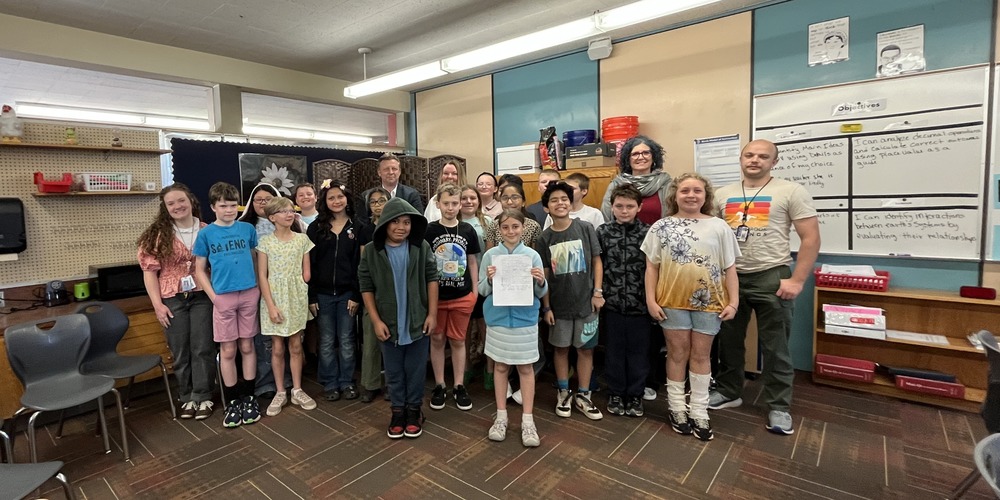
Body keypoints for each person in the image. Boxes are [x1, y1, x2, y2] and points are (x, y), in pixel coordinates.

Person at [711, 139, 820, 436]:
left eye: (762, 156)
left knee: (776, 347)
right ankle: (729, 391)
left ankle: (779, 406)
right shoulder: (723, 194)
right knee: (729, 341)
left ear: (774, 161)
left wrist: (797, 280)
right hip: (732, 276)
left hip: (772, 276)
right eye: (749, 155)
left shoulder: (791, 191)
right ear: (741, 158)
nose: (754, 160)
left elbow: (810, 238)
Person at [642, 173, 740, 441]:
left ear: (705, 196)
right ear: (675, 195)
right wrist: (651, 300)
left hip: (710, 302)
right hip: (671, 300)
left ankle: (699, 410)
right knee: (676, 354)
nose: (691, 195)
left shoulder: (719, 227)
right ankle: (676, 408)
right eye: (685, 190)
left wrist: (734, 301)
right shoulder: (661, 227)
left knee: (701, 356)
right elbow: (652, 267)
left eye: (697, 191)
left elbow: (730, 267)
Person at [358, 198, 439, 439]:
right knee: (393, 371)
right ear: (384, 223)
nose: (401, 227)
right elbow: (366, 285)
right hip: (388, 323)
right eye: (395, 222)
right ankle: (397, 411)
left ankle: (414, 410)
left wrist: (432, 313)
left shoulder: (420, 247)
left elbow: (431, 278)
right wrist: (375, 320)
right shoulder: (372, 250)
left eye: (406, 222)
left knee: (415, 369)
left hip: (417, 321)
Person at [137, 183, 215, 420]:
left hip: (202, 295)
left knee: (203, 347)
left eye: (180, 200)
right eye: (171, 203)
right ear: (165, 207)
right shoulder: (157, 235)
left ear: (190, 200)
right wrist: (157, 305)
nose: (177, 206)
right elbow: (149, 271)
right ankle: (187, 396)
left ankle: (204, 396)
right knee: (180, 350)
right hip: (171, 298)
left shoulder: (207, 230)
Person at [192, 182, 261, 428]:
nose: (229, 210)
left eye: (233, 205)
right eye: (223, 206)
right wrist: (214, 297)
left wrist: (258, 289)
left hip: (249, 294)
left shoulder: (247, 229)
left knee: (247, 346)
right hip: (223, 297)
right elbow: (199, 270)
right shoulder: (206, 234)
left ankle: (249, 398)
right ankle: (232, 401)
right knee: (228, 350)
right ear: (213, 207)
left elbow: (254, 259)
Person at [536, 181, 604, 421]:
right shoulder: (544, 239)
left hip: (586, 304)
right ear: (547, 208)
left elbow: (597, 261)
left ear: (571, 202)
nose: (560, 203)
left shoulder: (585, 228)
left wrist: (597, 292)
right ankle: (563, 392)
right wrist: (546, 307)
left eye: (564, 199)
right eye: (553, 200)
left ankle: (584, 394)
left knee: (586, 350)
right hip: (559, 307)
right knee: (561, 349)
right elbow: (544, 275)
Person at [480, 209, 547, 447]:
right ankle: (501, 417)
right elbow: (481, 290)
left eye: (515, 227)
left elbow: (541, 292)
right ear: (499, 230)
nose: (511, 232)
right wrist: (489, 279)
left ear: (523, 228)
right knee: (500, 367)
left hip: (525, 321)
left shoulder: (532, 256)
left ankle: (528, 421)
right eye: (505, 227)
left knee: (526, 369)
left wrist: (540, 280)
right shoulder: (490, 255)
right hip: (498, 321)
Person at [257, 197, 318, 416]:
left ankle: (298, 389)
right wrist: (271, 305)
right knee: (277, 347)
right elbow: (262, 276)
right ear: (272, 217)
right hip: (275, 297)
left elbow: (307, 272)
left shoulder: (302, 239)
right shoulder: (265, 242)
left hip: (296, 297)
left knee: (295, 344)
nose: (288, 214)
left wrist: (300, 287)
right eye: (283, 211)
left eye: (291, 210)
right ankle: (280, 391)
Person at [596, 183, 651, 418]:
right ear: (612, 207)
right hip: (612, 303)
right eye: (619, 206)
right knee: (614, 351)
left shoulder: (649, 232)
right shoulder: (602, 232)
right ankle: (616, 393)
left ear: (639, 207)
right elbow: (597, 265)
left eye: (630, 206)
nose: (624, 210)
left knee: (639, 352)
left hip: (641, 304)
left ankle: (636, 394)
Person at [425, 184, 480, 411]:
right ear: (438, 204)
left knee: (458, 340)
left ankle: (458, 384)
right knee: (437, 339)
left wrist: (475, 291)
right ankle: (439, 384)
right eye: (446, 203)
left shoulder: (467, 230)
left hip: (461, 294)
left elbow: (473, 261)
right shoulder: (429, 230)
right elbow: (425, 263)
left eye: (454, 203)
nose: (450, 208)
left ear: (460, 205)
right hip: (436, 298)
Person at [307, 180, 363, 402]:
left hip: (348, 294)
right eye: (331, 198)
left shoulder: (358, 228)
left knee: (348, 340)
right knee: (327, 340)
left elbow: (361, 265)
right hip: (321, 294)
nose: (336, 201)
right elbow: (308, 265)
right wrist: (311, 296)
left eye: (340, 196)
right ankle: (330, 382)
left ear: (347, 198)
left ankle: (347, 382)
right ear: (325, 201)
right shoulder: (316, 228)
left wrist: (357, 294)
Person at [240, 182, 296, 401]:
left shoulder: (291, 223)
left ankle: (288, 379)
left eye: (268, 199)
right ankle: (265, 384)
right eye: (258, 200)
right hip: (256, 288)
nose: (263, 203)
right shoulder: (245, 226)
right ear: (252, 203)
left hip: (285, 289)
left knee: (286, 335)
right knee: (262, 339)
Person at [459, 184, 495, 389]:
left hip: (484, 284)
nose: (468, 202)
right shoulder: (454, 222)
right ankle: (465, 369)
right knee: (463, 330)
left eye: (473, 198)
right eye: (464, 198)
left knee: (485, 328)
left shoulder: (487, 222)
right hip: (461, 283)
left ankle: (489, 369)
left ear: (478, 201)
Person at [357, 187, 391, 403]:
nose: (378, 204)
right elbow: (364, 262)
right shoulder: (365, 229)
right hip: (373, 290)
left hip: (394, 290)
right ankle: (370, 384)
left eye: (383, 200)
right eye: (374, 201)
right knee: (370, 339)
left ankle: (391, 382)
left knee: (392, 340)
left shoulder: (396, 226)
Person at [600, 135, 672, 225]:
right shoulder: (616, 184)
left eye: (646, 153)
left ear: (653, 157)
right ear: (628, 159)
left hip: (658, 237)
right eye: (635, 154)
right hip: (621, 238)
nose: (641, 157)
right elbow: (606, 218)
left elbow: (672, 216)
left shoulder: (665, 183)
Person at [360, 153, 425, 220]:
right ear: (379, 172)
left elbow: (419, 220)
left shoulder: (412, 195)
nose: (391, 172)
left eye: (394, 169)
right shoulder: (366, 196)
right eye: (386, 169)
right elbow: (362, 222)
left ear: (399, 172)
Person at [487, 182, 542, 250]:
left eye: (515, 198)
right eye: (505, 198)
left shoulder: (534, 226)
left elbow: (536, 254)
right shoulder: (494, 225)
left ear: (523, 202)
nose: (509, 202)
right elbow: (489, 254)